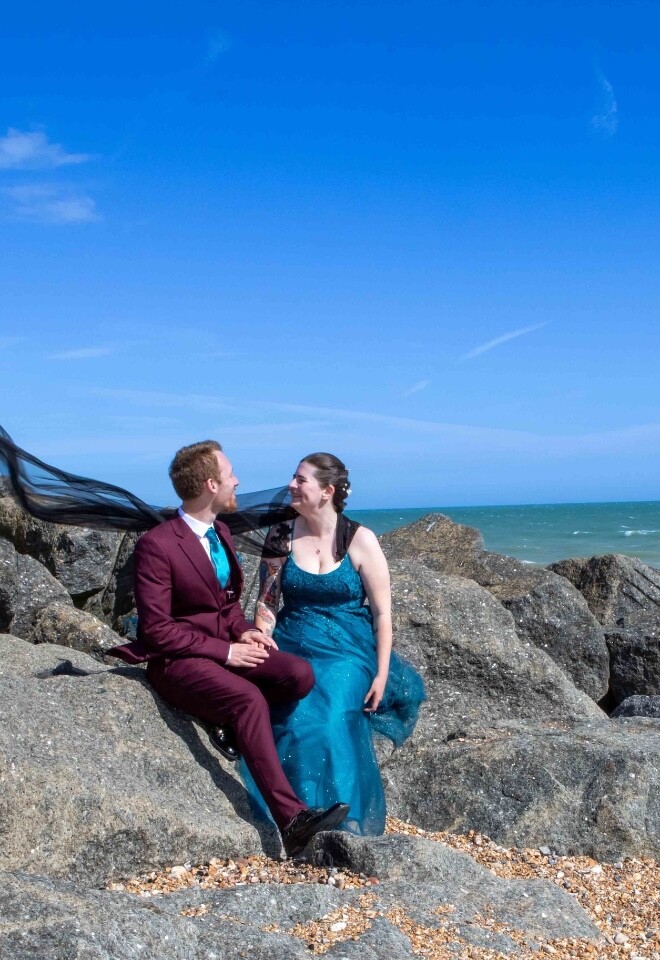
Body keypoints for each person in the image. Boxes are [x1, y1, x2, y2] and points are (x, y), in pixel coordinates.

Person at [108, 440, 349, 857]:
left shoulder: (219, 531)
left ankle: (225, 721)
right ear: (209, 484)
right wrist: (226, 654)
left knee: (299, 674)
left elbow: (225, 604)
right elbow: (158, 631)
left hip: (223, 648)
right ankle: (291, 820)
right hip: (177, 663)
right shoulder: (157, 545)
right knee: (248, 699)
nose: (237, 480)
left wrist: (242, 632)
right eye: (230, 474)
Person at [249, 452, 425, 836]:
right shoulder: (281, 535)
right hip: (293, 641)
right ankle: (292, 818)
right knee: (290, 718)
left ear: (327, 491)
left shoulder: (360, 540)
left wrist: (380, 674)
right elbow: (267, 602)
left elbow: (382, 615)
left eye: (301, 480)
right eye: (293, 477)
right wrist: (263, 637)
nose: (291, 486)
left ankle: (342, 823)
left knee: (330, 720)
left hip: (349, 649)